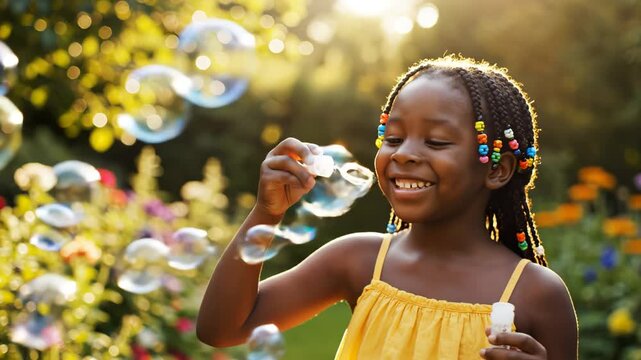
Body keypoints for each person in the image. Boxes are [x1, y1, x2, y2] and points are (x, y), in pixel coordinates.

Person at [197, 55, 578, 359]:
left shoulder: (536, 294)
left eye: (437, 141)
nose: (405, 154)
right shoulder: (359, 261)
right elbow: (222, 328)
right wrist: (267, 212)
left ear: (497, 169)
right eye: (393, 137)